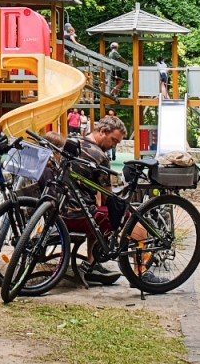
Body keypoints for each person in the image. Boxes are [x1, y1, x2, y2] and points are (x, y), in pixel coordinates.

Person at [62, 115, 146, 283]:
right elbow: (109, 195)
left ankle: (92, 263)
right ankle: (141, 273)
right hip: (78, 215)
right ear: (102, 131)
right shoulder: (100, 156)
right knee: (132, 218)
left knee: (98, 212)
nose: (114, 146)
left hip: (61, 210)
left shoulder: (74, 143)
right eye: (114, 140)